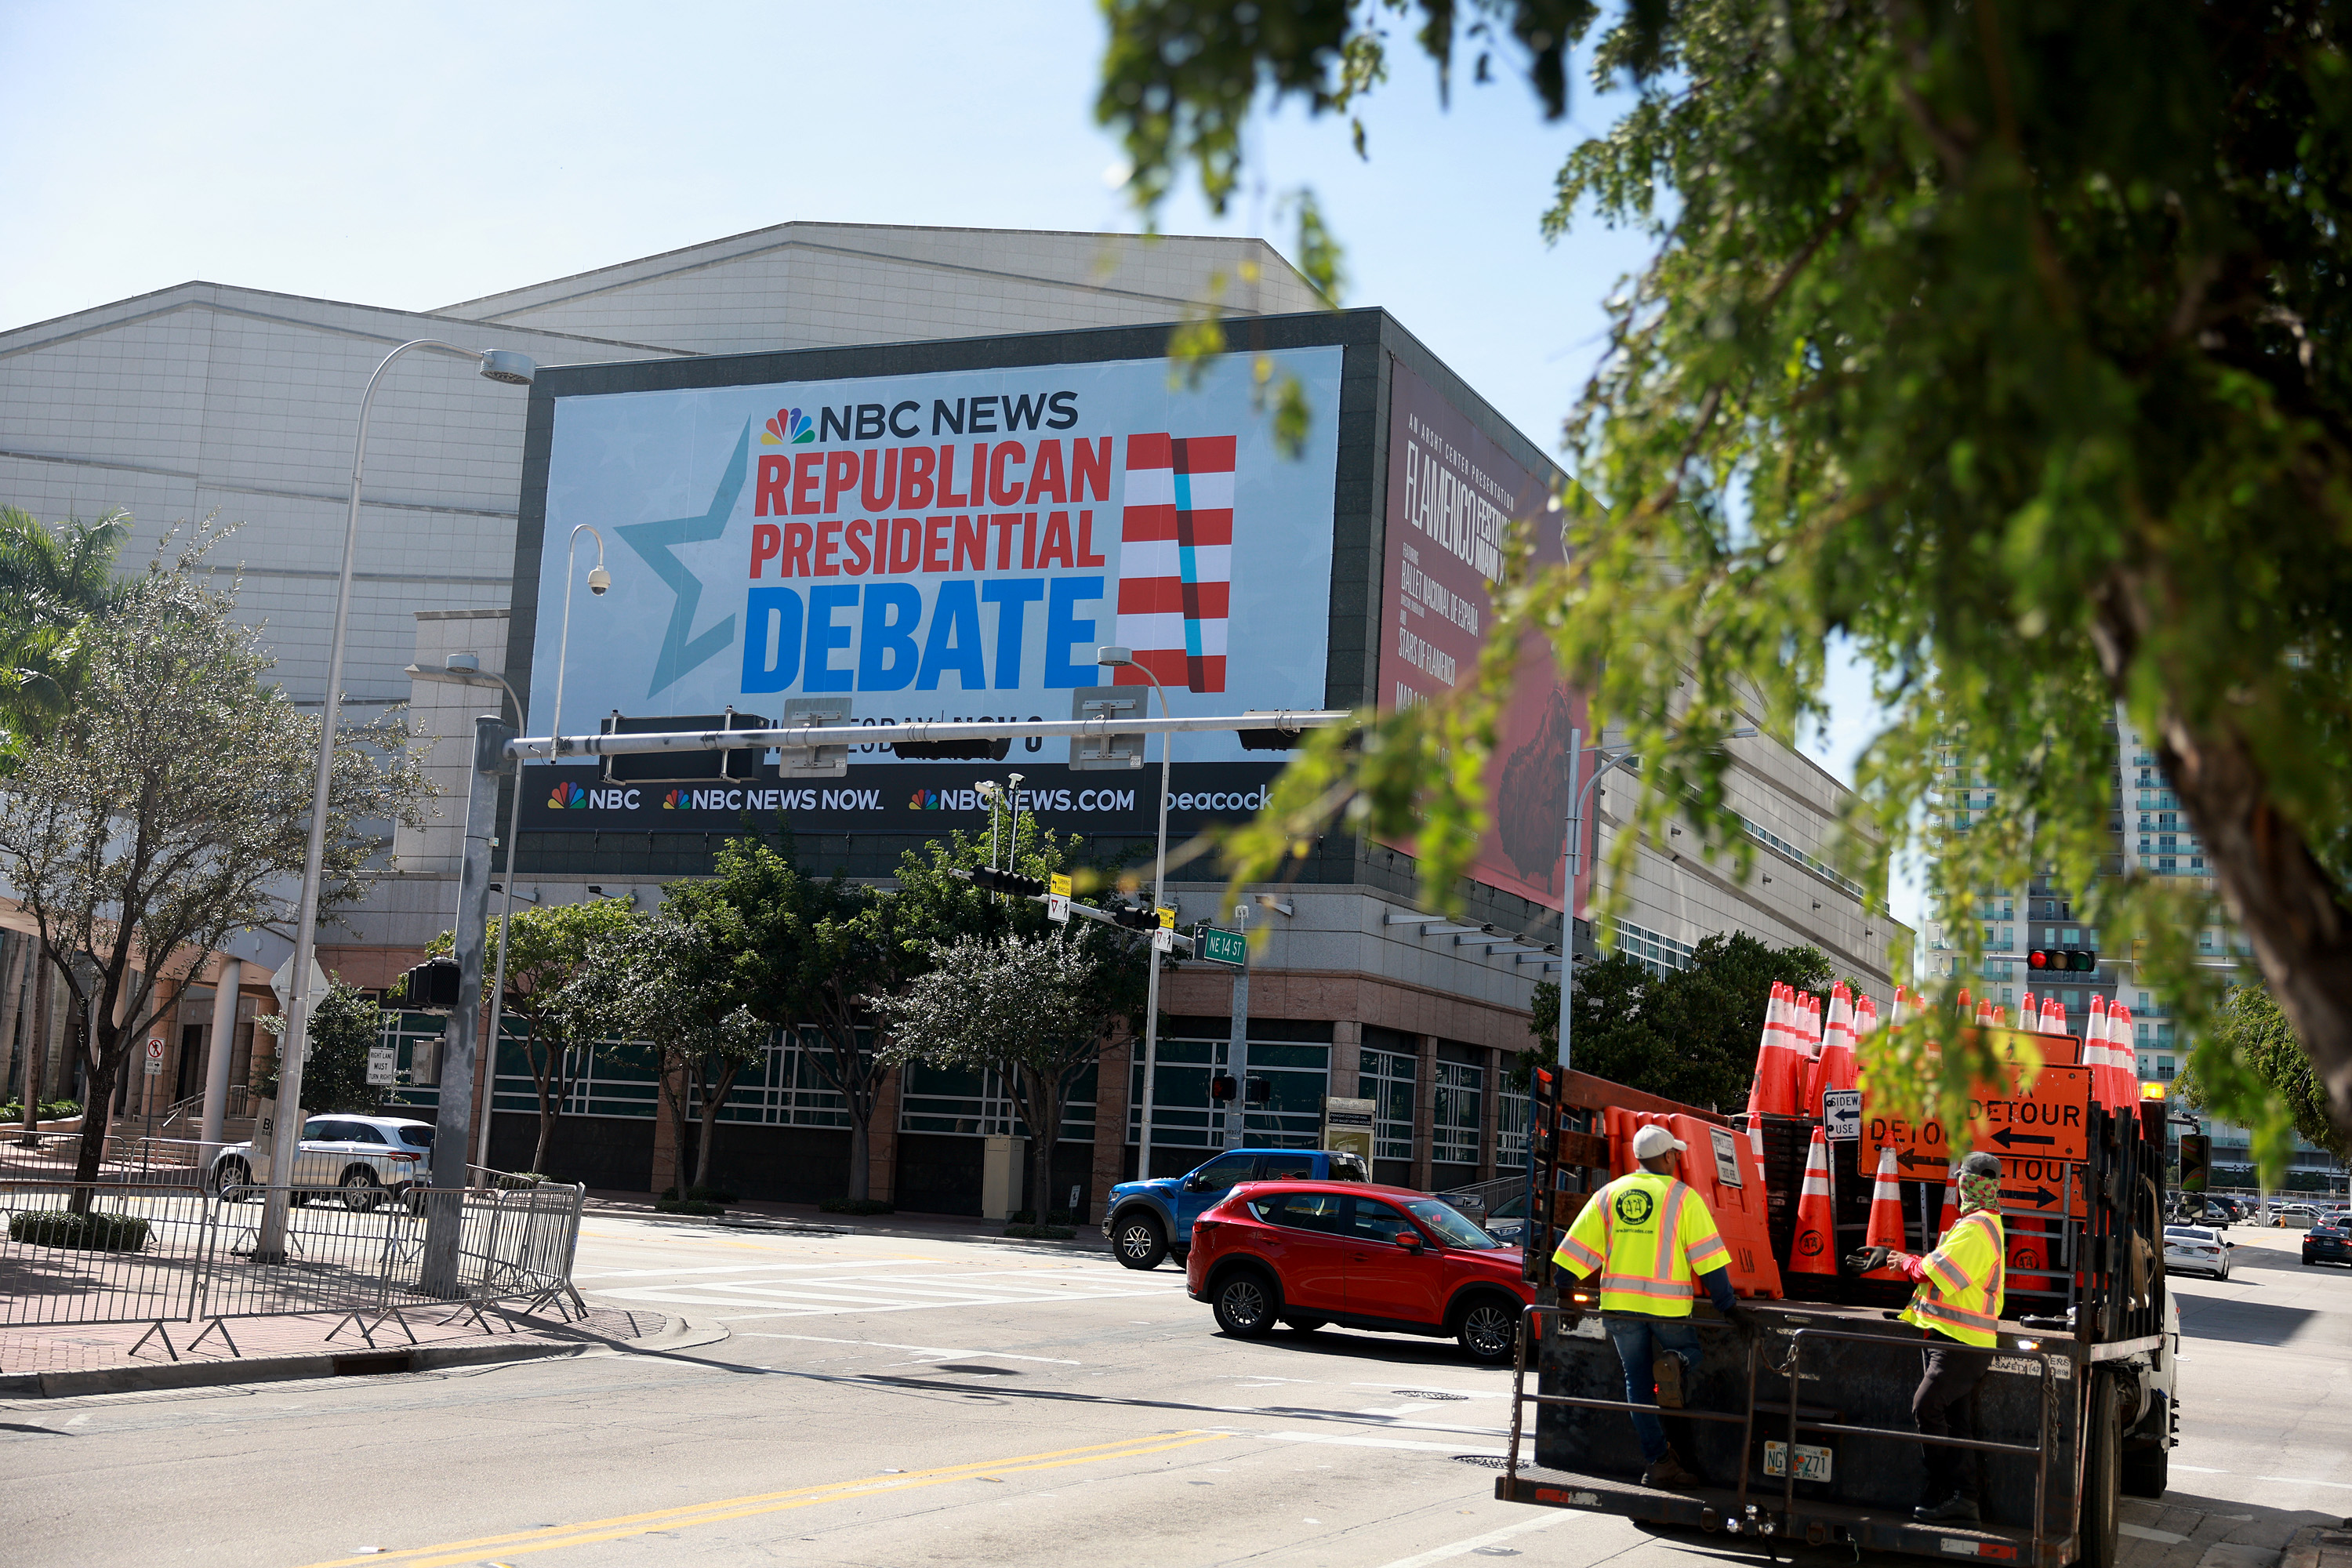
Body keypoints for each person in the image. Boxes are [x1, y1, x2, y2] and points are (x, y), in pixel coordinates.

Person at [1553, 1123, 1746, 1490]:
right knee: (1689, 1351)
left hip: (1621, 1308)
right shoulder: (1682, 1197)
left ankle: (1659, 1462)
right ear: (1668, 1156)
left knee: (1637, 1386)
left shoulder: (1609, 1194)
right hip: (1667, 1308)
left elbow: (1574, 1250)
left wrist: (1565, 1292)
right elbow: (1708, 1259)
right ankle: (1676, 1362)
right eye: (1674, 1153)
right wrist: (1728, 1306)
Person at [1848, 1149, 2006, 1525]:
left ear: (1965, 1184)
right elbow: (1933, 1268)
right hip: (1954, 1338)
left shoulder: (1977, 1227)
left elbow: (1932, 1273)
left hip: (1961, 1343)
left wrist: (1898, 1259)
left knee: (1926, 1407)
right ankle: (1961, 1497)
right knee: (1956, 1420)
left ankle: (1947, 1487)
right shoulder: (1978, 1225)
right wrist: (1894, 1256)